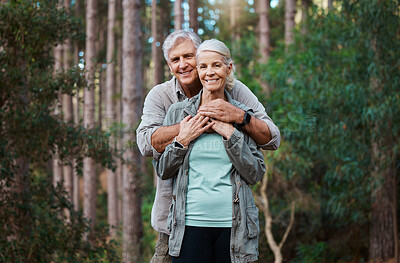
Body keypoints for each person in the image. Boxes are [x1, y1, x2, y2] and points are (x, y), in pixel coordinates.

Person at [136, 30, 280, 262]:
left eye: (189, 57)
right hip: (176, 222)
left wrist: (238, 118)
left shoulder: (237, 93)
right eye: (175, 59)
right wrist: (188, 129)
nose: (183, 65)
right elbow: (145, 144)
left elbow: (271, 139)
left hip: (233, 224)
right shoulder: (163, 98)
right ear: (169, 65)